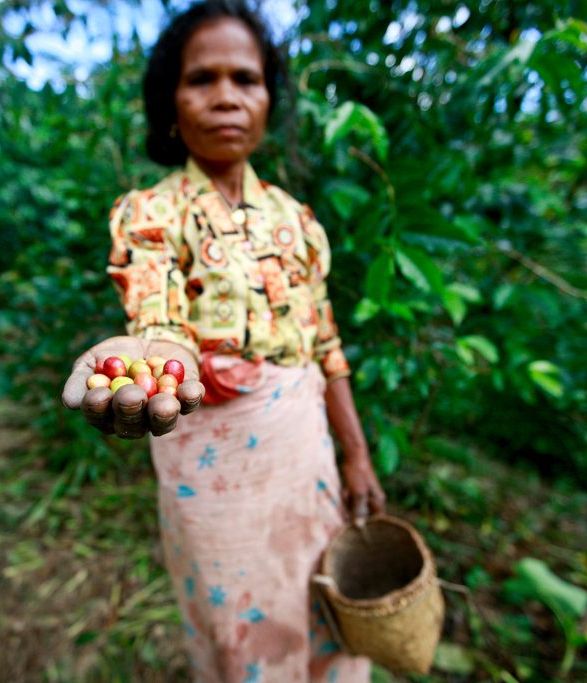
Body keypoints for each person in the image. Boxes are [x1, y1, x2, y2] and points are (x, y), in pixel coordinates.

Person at [62, 1, 386, 680]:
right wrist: (162, 363)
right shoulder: (152, 213)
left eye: (246, 78)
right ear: (170, 106)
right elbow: (159, 317)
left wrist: (355, 454)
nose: (226, 98)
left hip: (306, 455)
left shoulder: (296, 221)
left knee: (325, 602)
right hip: (214, 472)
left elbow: (324, 343)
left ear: (269, 100)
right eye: (201, 79)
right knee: (242, 628)